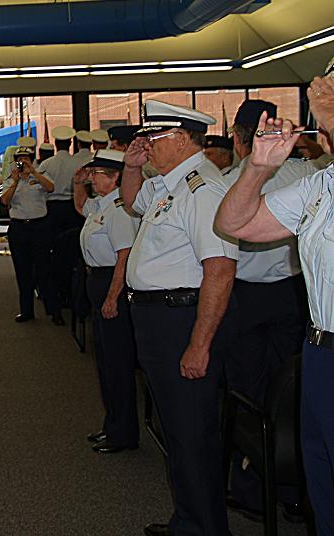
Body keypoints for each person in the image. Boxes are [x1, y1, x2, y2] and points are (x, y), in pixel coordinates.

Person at [214, 66, 334, 535]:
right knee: (322, 483)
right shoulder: (320, 183)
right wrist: (259, 169)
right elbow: (235, 224)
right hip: (318, 348)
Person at [120, 100, 237, 536]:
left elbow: (220, 270)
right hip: (159, 320)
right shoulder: (170, 184)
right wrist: (131, 167)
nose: (147, 144)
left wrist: (199, 344)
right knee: (178, 428)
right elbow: (132, 203)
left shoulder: (203, 190)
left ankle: (204, 527)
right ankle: (190, 520)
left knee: (191, 433)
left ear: (185, 139)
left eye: (156, 137)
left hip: (182, 319)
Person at [72, 149, 140, 455]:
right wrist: (78, 183)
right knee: (105, 361)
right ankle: (112, 425)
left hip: (112, 283)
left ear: (115, 177)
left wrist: (113, 297)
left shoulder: (120, 210)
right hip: (97, 282)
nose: (92, 178)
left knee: (117, 364)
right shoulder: (102, 205)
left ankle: (123, 432)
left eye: (97, 173)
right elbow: (80, 206)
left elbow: (124, 257)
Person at [1, 144, 56, 323]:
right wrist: (16, 181)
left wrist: (33, 172)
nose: (22, 162)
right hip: (19, 229)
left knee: (44, 270)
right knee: (22, 271)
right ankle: (26, 311)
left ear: (32, 161)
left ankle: (53, 311)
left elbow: (50, 188)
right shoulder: (11, 179)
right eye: (19, 160)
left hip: (40, 227)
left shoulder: (40, 175)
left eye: (26, 159)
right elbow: (5, 201)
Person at [38, 125, 85, 324]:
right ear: (71, 143)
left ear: (56, 144)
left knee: (51, 253)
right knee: (72, 253)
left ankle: (55, 295)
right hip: (73, 210)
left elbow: (37, 185)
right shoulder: (78, 163)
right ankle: (72, 295)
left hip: (52, 211)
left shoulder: (47, 164)